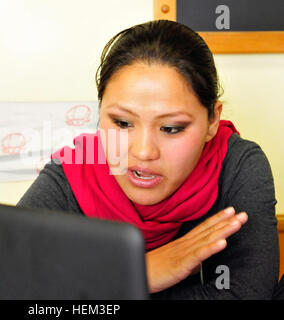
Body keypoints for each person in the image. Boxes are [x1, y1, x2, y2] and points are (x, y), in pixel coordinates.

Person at [17, 20, 279, 299]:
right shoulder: (73, 173)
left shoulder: (236, 165)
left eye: (171, 128)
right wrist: (138, 273)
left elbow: (246, 294)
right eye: (122, 122)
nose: (143, 152)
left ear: (212, 120)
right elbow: (2, 281)